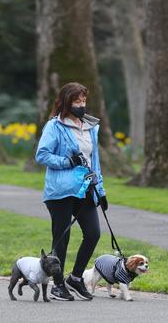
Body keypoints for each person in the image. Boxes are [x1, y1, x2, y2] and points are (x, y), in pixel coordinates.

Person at [35, 82, 109, 301]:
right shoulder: (54, 126)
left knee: (93, 233)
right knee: (62, 238)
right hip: (60, 191)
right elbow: (42, 155)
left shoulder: (90, 127)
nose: (82, 105)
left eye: (84, 100)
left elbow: (94, 162)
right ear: (67, 102)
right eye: (77, 101)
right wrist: (68, 161)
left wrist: (101, 191)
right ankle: (57, 284)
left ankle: (75, 278)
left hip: (85, 189)